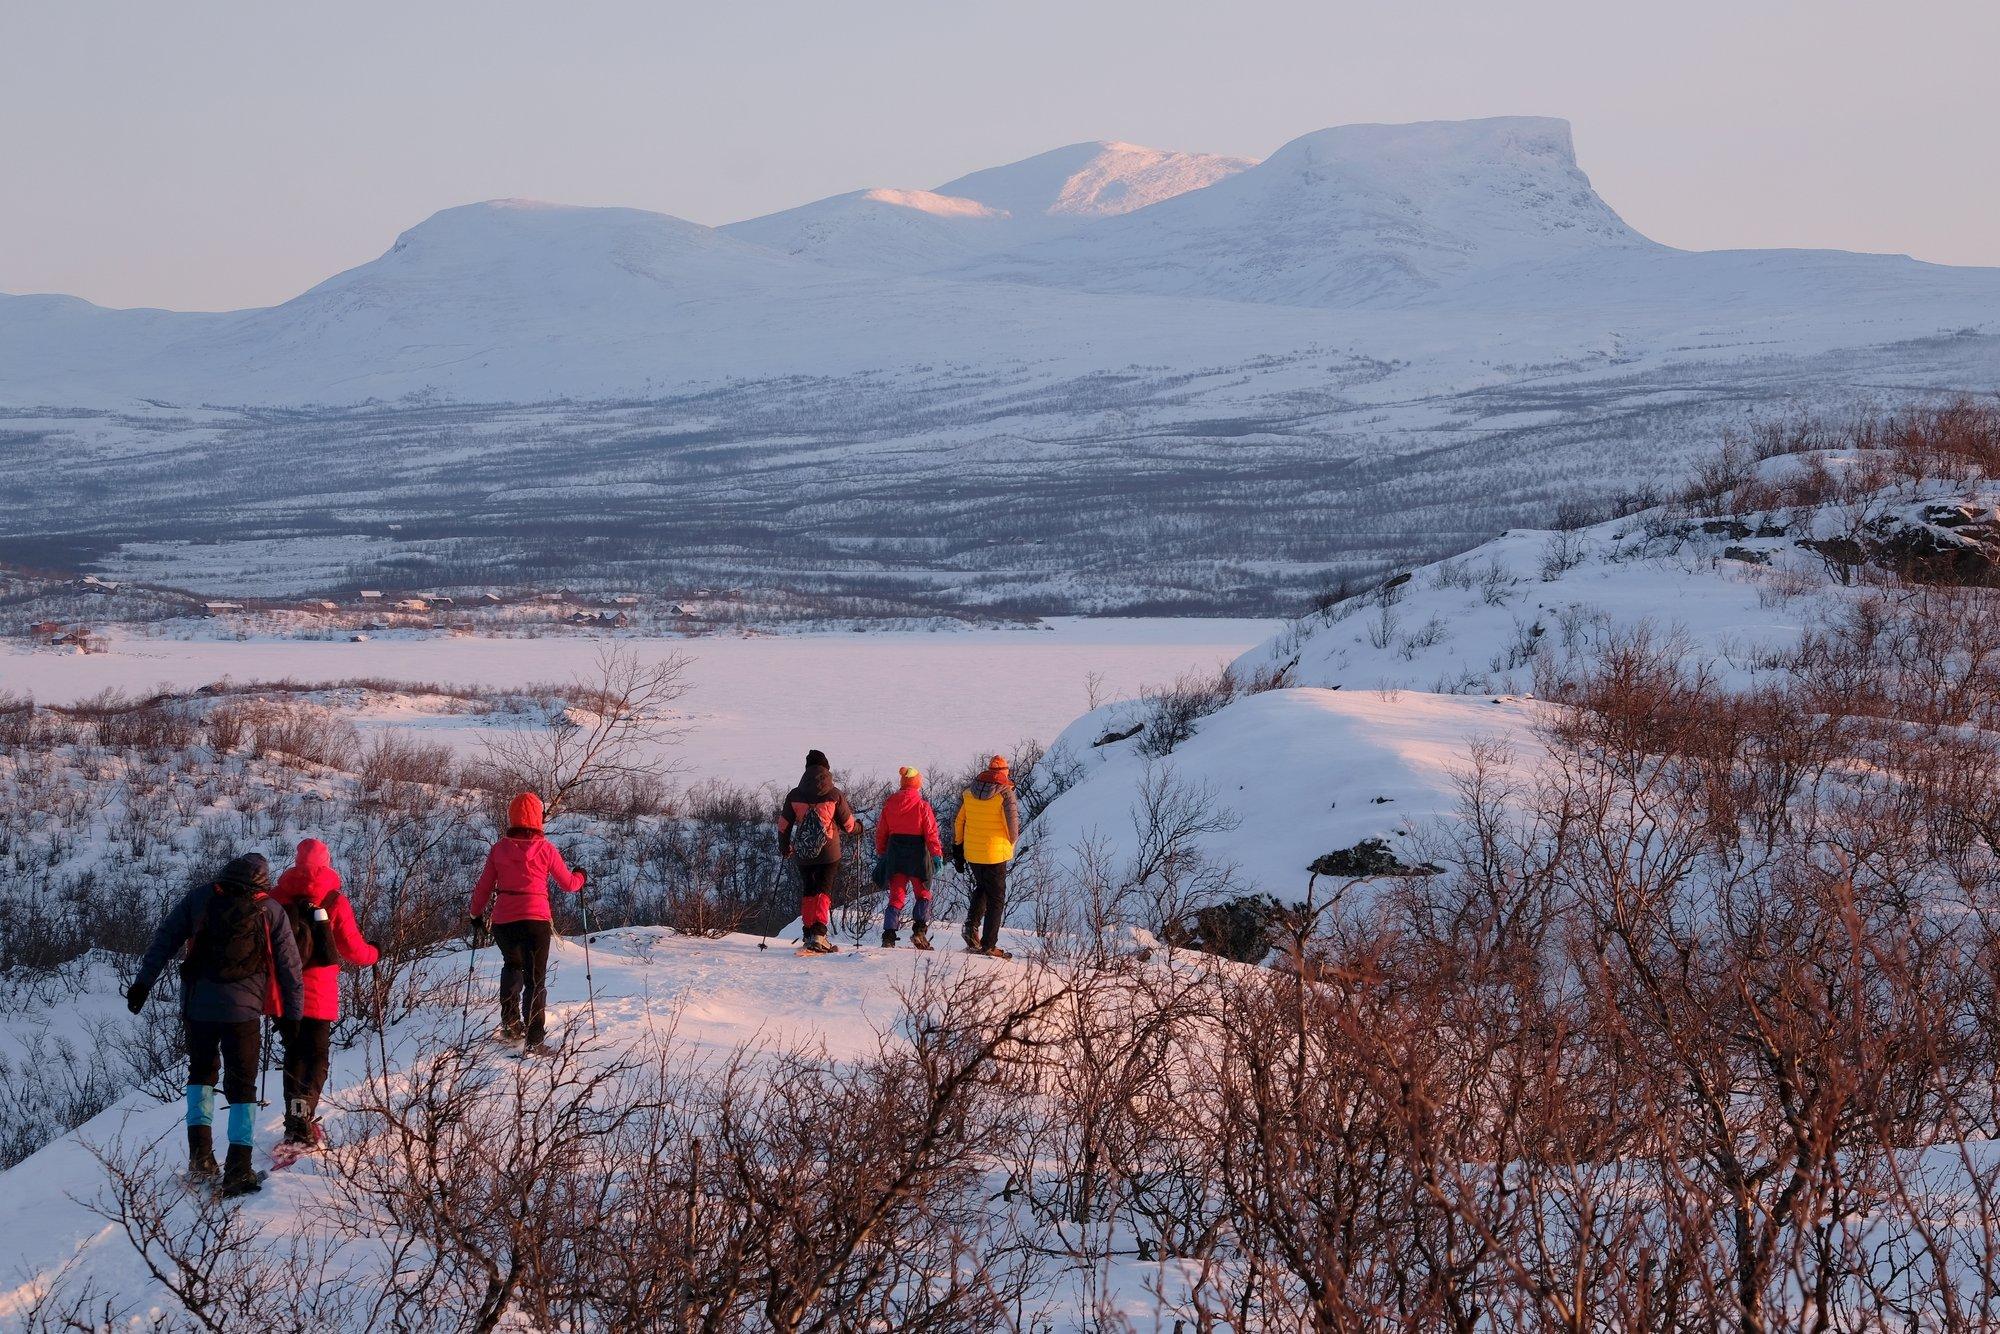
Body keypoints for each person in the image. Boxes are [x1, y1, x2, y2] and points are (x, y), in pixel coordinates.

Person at [126, 853, 306, 1195]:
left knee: (201, 1075)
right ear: (262, 881)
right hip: (243, 1012)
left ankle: (200, 1158)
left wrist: (142, 984)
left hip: (198, 1007)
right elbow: (290, 969)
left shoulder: (201, 897)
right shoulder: (270, 909)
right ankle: (238, 1168)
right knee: (242, 1086)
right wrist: (293, 1018)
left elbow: (164, 940)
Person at [267, 838, 378, 1149]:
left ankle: (294, 1120)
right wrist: (374, 954)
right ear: (327, 863)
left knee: (294, 1055)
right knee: (317, 1058)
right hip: (319, 991)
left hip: (284, 992)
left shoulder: (276, 899)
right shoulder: (334, 899)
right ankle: (302, 1121)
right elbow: (353, 949)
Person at [468, 792, 585, 1055]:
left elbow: (483, 887)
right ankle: (534, 1040)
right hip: (535, 921)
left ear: (513, 816)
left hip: (504, 922)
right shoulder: (545, 849)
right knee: (535, 980)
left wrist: (475, 915)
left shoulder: (499, 849)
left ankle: (510, 1025)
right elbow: (568, 884)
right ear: (537, 819)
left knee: (512, 965)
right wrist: (581, 876)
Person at [777, 749, 861, 954]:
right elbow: (849, 825)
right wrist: (860, 827)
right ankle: (819, 934)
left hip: (803, 852)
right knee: (823, 890)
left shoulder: (795, 795)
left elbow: (783, 824)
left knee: (809, 889)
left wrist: (785, 846)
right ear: (826, 769)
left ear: (806, 769)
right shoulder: (834, 794)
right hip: (829, 853)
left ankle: (808, 932)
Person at [952, 755, 1020, 959]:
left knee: (982, 888)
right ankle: (989, 945)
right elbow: (1013, 829)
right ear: (1004, 772)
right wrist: (1009, 845)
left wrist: (957, 848)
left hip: (973, 852)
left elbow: (958, 822)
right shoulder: (1005, 794)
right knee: (996, 899)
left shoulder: (969, 792)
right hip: (995, 854)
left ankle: (970, 928)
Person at [873, 766, 941, 949]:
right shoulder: (922, 806)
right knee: (923, 894)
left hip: (895, 855)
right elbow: (931, 833)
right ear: (917, 785)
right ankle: (919, 932)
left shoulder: (889, 805)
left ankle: (888, 936)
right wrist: (936, 855)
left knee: (896, 896)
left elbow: (881, 833)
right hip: (918, 856)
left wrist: (881, 853)